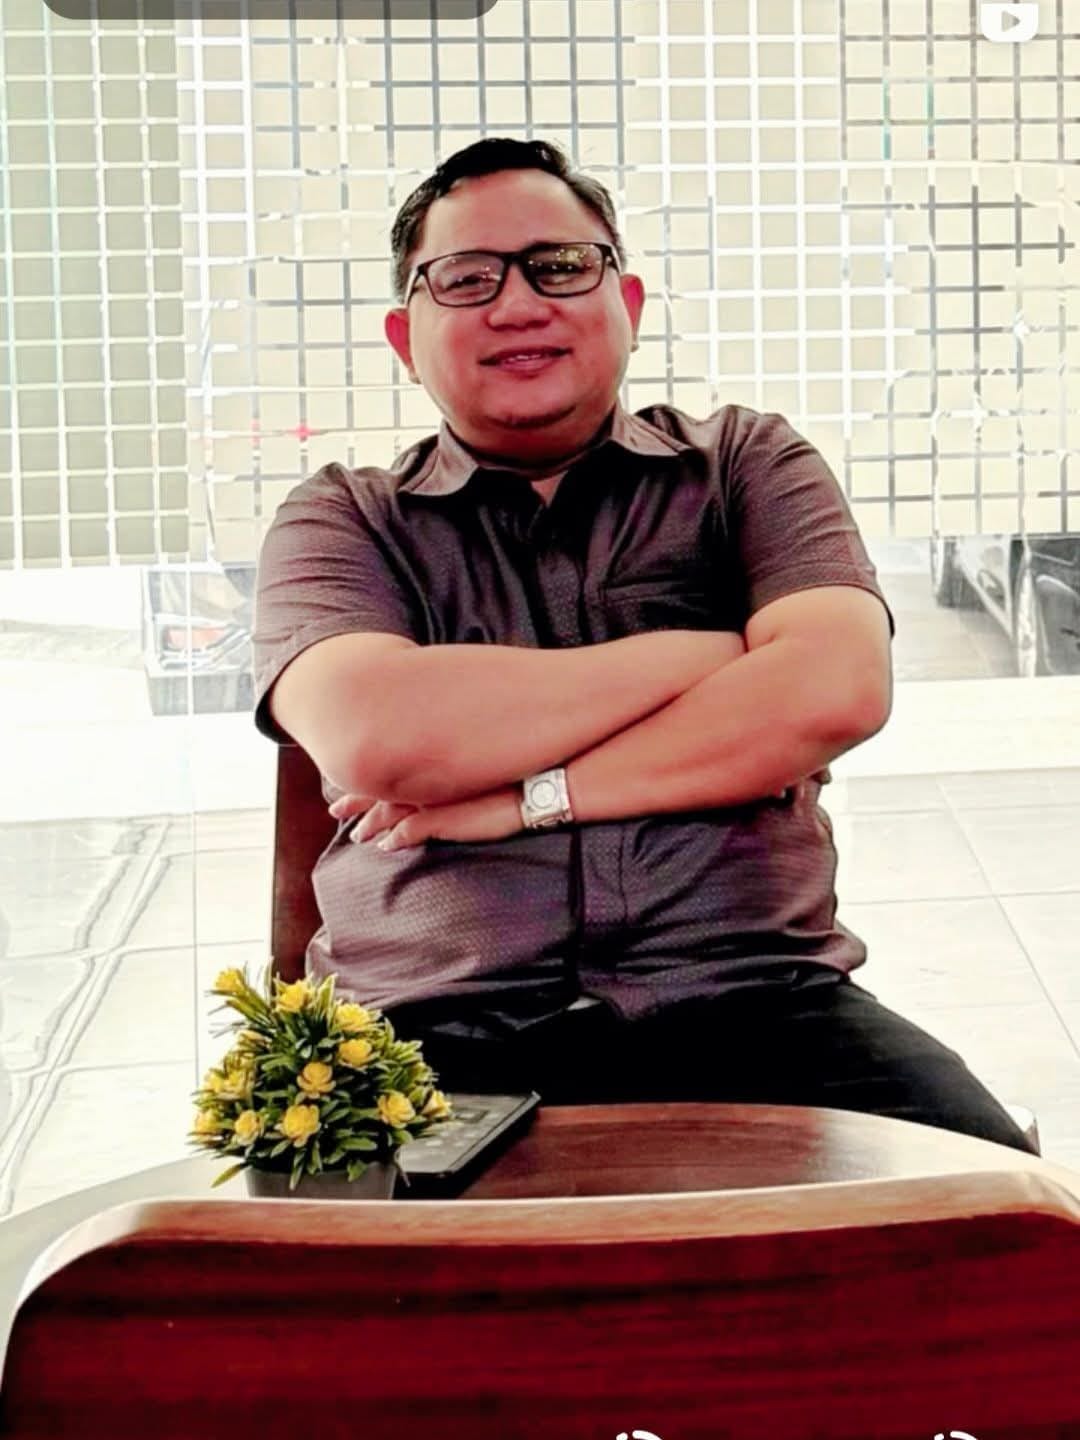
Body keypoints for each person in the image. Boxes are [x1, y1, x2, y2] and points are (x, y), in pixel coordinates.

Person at [253, 137, 1034, 1153]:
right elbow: (379, 736)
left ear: (626, 302)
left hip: (763, 1004)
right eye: (468, 278)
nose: (519, 304)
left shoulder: (746, 464)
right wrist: (713, 653)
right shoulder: (343, 519)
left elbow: (836, 688)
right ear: (406, 336)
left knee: (1004, 1217)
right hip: (430, 1039)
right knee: (273, 1259)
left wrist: (519, 797)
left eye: (559, 266)